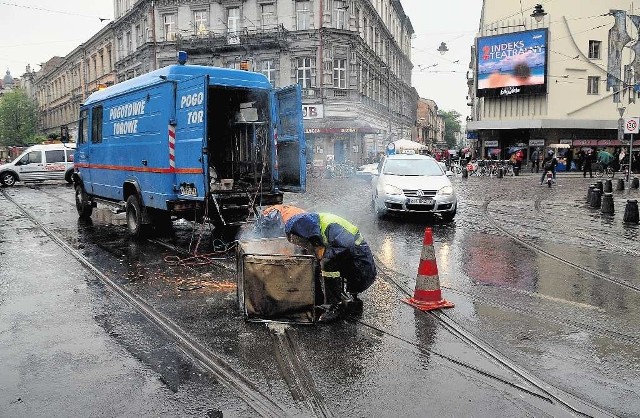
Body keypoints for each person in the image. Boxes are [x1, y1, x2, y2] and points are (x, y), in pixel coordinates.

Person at [285, 212, 377, 323]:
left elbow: (345, 248)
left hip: (359, 262)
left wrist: (322, 256)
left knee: (327, 263)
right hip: (347, 257)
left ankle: (334, 307)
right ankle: (317, 300)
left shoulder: (331, 226)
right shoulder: (314, 225)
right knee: (313, 260)